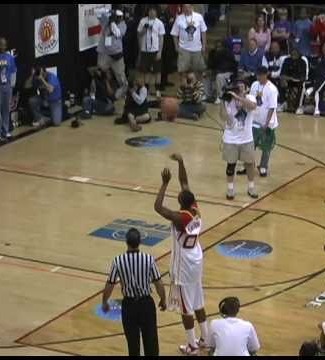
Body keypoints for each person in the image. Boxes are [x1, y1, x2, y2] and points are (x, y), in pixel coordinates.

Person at [154, 153, 209, 356]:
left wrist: (164, 183)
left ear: (180, 202)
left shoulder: (179, 218)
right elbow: (185, 183)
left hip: (184, 264)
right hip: (196, 257)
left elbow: (158, 207)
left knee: (186, 307)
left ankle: (192, 345)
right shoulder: (195, 210)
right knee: (198, 301)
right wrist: (181, 162)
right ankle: (205, 338)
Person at [102, 228, 166, 356]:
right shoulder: (148, 259)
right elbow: (158, 282)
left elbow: (110, 284)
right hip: (146, 304)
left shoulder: (118, 261)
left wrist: (105, 301)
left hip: (129, 305)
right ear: (139, 242)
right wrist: (163, 299)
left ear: (126, 242)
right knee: (151, 342)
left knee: (133, 344)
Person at [220, 80, 258, 200]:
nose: (240, 90)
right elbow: (222, 116)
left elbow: (252, 106)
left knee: (249, 164)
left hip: (246, 139)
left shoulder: (251, 97)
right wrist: (223, 101)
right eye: (238, 88)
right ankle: (230, 189)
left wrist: (238, 97)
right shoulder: (228, 100)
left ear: (247, 89)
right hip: (230, 139)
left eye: (242, 88)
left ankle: (251, 187)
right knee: (231, 164)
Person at [250, 66, 279, 177]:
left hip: (267, 122)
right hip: (255, 120)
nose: (259, 77)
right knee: (250, 144)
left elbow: (272, 107)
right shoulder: (254, 85)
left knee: (266, 146)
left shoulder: (272, 89)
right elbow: (251, 101)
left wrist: (266, 123)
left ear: (266, 74)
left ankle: (263, 167)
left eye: (261, 75)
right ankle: (248, 164)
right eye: (258, 75)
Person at [96, 8, 128, 100]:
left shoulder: (123, 25)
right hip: (105, 54)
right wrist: (106, 11)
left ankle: (117, 96)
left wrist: (113, 23)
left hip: (116, 55)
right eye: (116, 16)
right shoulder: (106, 21)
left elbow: (117, 33)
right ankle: (103, 93)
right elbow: (98, 13)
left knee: (122, 80)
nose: (118, 18)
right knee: (99, 71)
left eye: (119, 17)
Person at [171, 4, 208, 81]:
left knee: (199, 69)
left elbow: (203, 31)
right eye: (185, 7)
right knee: (182, 70)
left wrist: (204, 45)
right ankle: (184, 88)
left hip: (197, 48)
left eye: (188, 7)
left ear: (192, 7)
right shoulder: (179, 18)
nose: (187, 9)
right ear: (183, 8)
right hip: (184, 48)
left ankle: (198, 88)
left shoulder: (199, 17)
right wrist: (176, 47)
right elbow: (174, 34)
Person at [137, 6, 166, 98]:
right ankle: (146, 90)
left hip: (155, 50)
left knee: (157, 71)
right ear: (148, 12)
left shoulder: (159, 23)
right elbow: (139, 34)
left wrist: (160, 52)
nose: (152, 13)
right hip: (145, 50)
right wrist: (144, 30)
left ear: (156, 13)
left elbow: (161, 38)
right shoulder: (143, 21)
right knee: (146, 71)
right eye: (150, 11)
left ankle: (157, 90)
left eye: (154, 11)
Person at [278, 47, 309, 114]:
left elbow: (303, 77)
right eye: (293, 51)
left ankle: (299, 106)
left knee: (302, 85)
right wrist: (287, 78)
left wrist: (294, 78)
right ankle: (283, 103)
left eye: (296, 51)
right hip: (288, 81)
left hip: (298, 82)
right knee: (281, 80)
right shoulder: (287, 60)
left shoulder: (302, 61)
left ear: (299, 53)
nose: (294, 53)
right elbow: (282, 74)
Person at [206, 40, 237, 104]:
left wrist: (218, 71)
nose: (218, 49)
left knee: (219, 76)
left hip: (228, 72)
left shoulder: (228, 53)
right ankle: (207, 95)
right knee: (205, 75)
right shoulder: (212, 53)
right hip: (216, 71)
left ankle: (220, 97)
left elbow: (231, 66)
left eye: (220, 47)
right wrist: (209, 71)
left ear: (223, 47)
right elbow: (210, 65)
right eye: (217, 47)